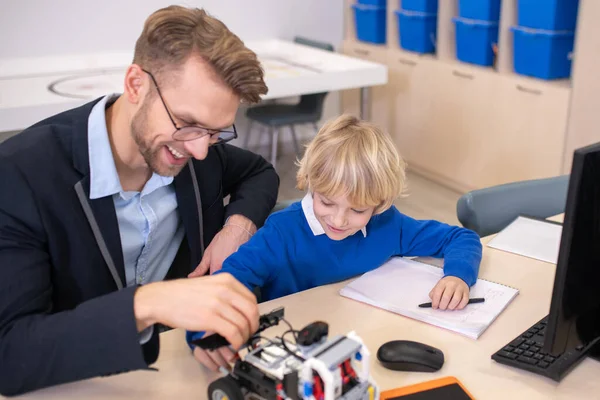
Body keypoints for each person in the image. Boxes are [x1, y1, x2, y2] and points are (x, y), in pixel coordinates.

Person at [0, 5, 279, 396]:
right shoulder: (19, 176)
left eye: (216, 133)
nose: (200, 151)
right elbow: (11, 353)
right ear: (135, 85)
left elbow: (259, 173)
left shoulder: (195, 151)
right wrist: (148, 304)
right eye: (187, 124)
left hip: (180, 374)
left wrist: (236, 229)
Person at [187, 114, 483, 371]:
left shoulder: (388, 224)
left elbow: (460, 237)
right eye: (327, 202)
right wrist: (202, 333)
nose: (339, 220)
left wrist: (458, 275)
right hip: (295, 349)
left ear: (380, 204)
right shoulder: (280, 234)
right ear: (311, 184)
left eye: (358, 210)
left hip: (363, 339)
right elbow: (227, 282)